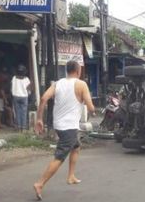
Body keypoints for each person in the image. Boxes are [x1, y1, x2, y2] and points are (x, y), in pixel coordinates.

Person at [33, 60, 95, 201]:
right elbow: (91, 107)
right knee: (59, 157)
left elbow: (43, 99)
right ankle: (40, 183)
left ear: (67, 71)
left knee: (76, 146)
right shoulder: (81, 84)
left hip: (59, 125)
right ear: (78, 70)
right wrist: (92, 111)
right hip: (69, 127)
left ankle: (71, 176)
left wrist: (39, 119)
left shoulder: (57, 83)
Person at [11, 65, 31, 133]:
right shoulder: (26, 79)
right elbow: (28, 88)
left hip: (16, 96)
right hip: (24, 97)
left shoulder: (14, 78)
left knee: (17, 112)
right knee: (24, 112)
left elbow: (11, 87)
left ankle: (19, 127)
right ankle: (24, 128)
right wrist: (29, 93)